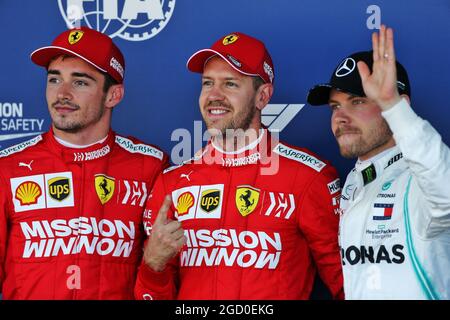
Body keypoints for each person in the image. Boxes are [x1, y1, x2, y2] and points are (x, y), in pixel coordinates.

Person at [134, 32, 344, 300]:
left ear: (263, 96)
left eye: (230, 84)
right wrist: (153, 265)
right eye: (207, 83)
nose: (214, 95)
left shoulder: (309, 177)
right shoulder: (171, 183)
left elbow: (347, 285)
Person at [0, 27, 168, 299]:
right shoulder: (7, 168)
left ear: (113, 95)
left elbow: (162, 271)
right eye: (54, 80)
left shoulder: (149, 165)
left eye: (80, 82)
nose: (62, 93)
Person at [307, 25, 450, 299]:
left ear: (401, 105)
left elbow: (446, 191)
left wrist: (392, 106)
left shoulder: (419, 179)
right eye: (335, 106)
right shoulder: (355, 181)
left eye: (358, 101)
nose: (340, 116)